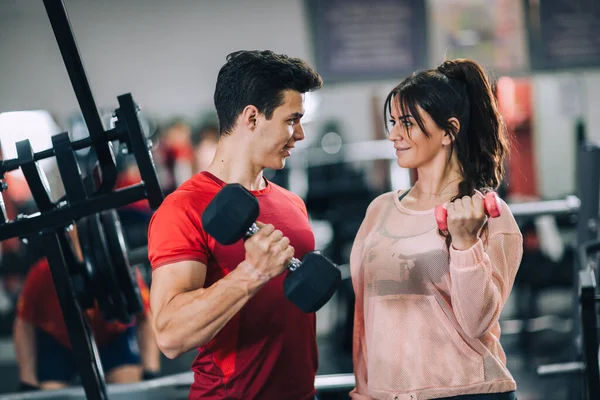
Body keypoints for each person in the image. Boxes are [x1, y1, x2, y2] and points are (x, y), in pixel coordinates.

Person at [147, 50, 323, 399]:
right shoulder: (184, 208)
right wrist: (252, 274)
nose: (299, 134)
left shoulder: (292, 204)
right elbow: (169, 335)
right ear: (252, 117)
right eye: (292, 119)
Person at [349, 59, 523, 400]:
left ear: (448, 131)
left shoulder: (489, 214)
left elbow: (476, 322)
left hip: (468, 392)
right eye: (393, 122)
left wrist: (464, 243)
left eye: (407, 123)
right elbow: (364, 316)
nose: (393, 134)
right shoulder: (380, 210)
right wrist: (365, 388)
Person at [13, 226, 160, 391]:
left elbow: (145, 316)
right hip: (62, 343)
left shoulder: (119, 269)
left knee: (127, 387)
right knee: (51, 392)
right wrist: (28, 379)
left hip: (111, 339)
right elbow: (24, 324)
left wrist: (150, 369)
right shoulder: (40, 274)